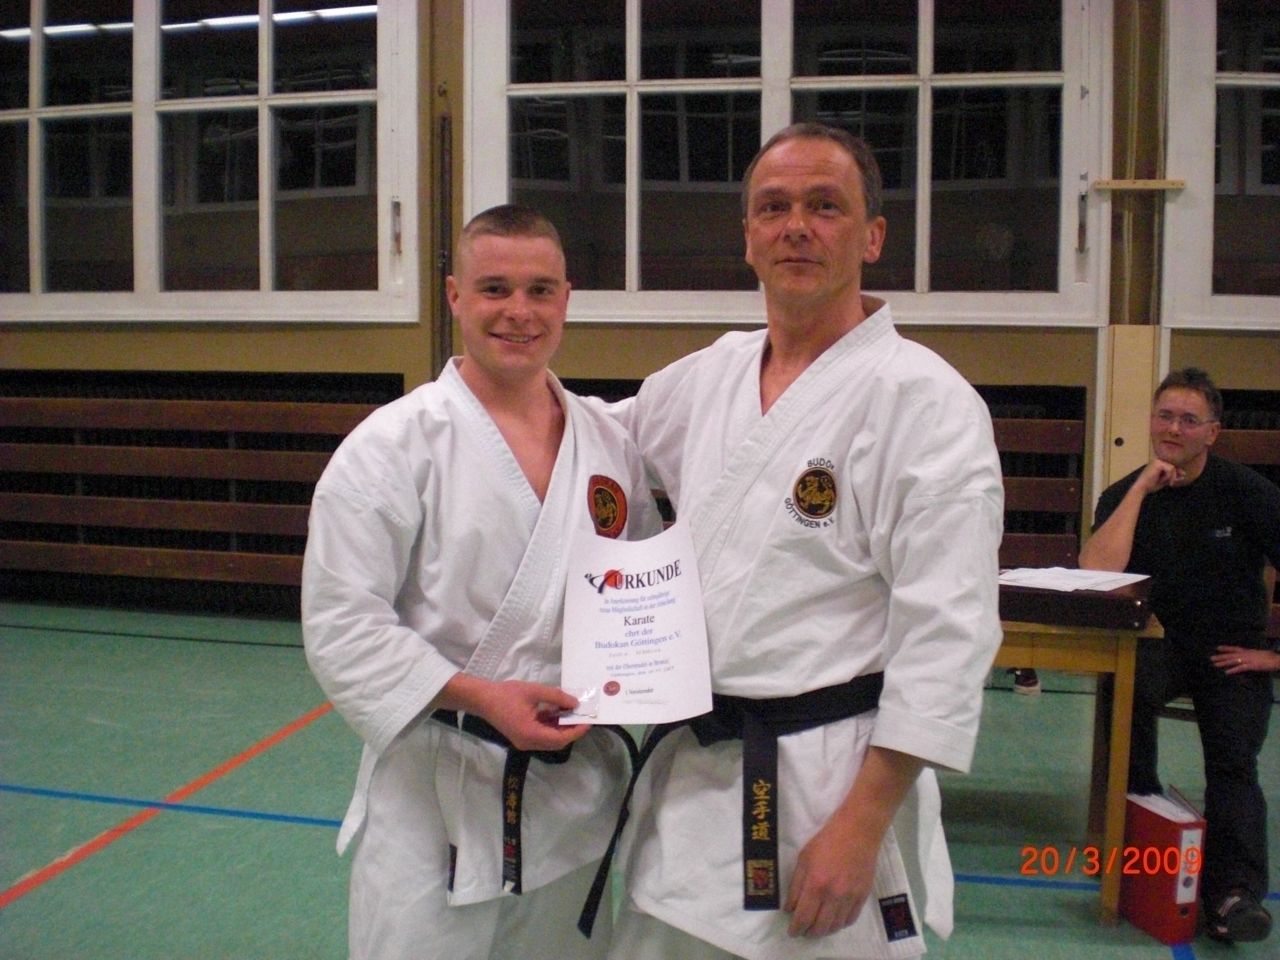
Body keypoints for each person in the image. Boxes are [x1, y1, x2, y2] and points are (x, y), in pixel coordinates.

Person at [602, 123, 1005, 960]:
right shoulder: (708, 376)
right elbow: (595, 446)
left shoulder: (926, 402)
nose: (796, 227)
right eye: (773, 207)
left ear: (873, 236)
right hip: (696, 779)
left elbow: (949, 635)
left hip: (831, 785)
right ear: (748, 236)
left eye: (825, 206)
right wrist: (488, 399)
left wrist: (862, 826)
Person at [301, 204, 662, 960]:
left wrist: (641, 679)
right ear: (455, 296)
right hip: (433, 796)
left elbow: (636, 595)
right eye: (495, 289)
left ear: (566, 299)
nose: (519, 312)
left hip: (570, 795)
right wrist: (482, 697)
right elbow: (342, 624)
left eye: (540, 290)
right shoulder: (391, 446)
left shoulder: (608, 442)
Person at [1079, 367, 1279, 944]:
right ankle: (1143, 865)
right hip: (1156, 645)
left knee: (1233, 762)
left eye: (1189, 420)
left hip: (1230, 654)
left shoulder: (1248, 493)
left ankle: (1235, 896)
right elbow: (1096, 572)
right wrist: (1142, 489)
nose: (1173, 428)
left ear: (1212, 432)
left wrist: (1273, 659)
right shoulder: (1126, 493)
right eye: (1164, 416)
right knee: (1126, 707)